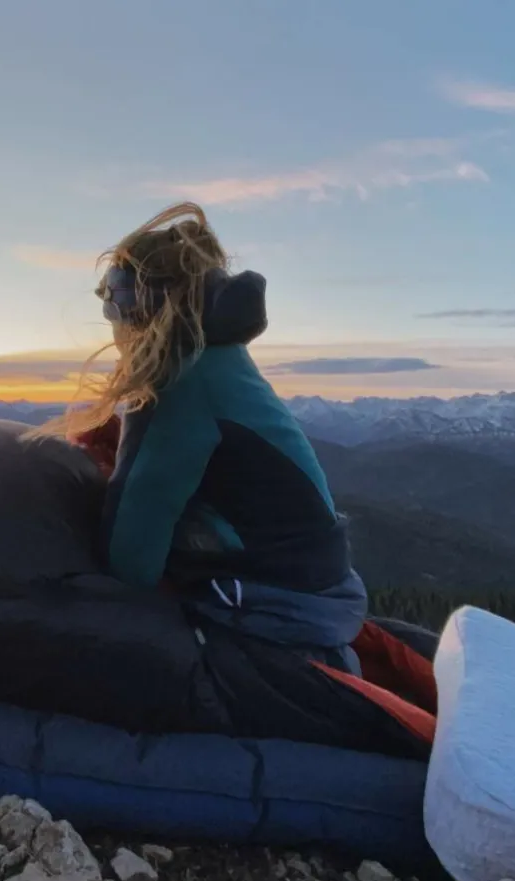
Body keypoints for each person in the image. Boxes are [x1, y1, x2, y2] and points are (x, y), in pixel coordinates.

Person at [44, 202, 367, 675]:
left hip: (273, 614)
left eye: (115, 298)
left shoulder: (177, 383)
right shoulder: (221, 362)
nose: (111, 319)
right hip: (318, 594)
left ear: (146, 308)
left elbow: (131, 559)